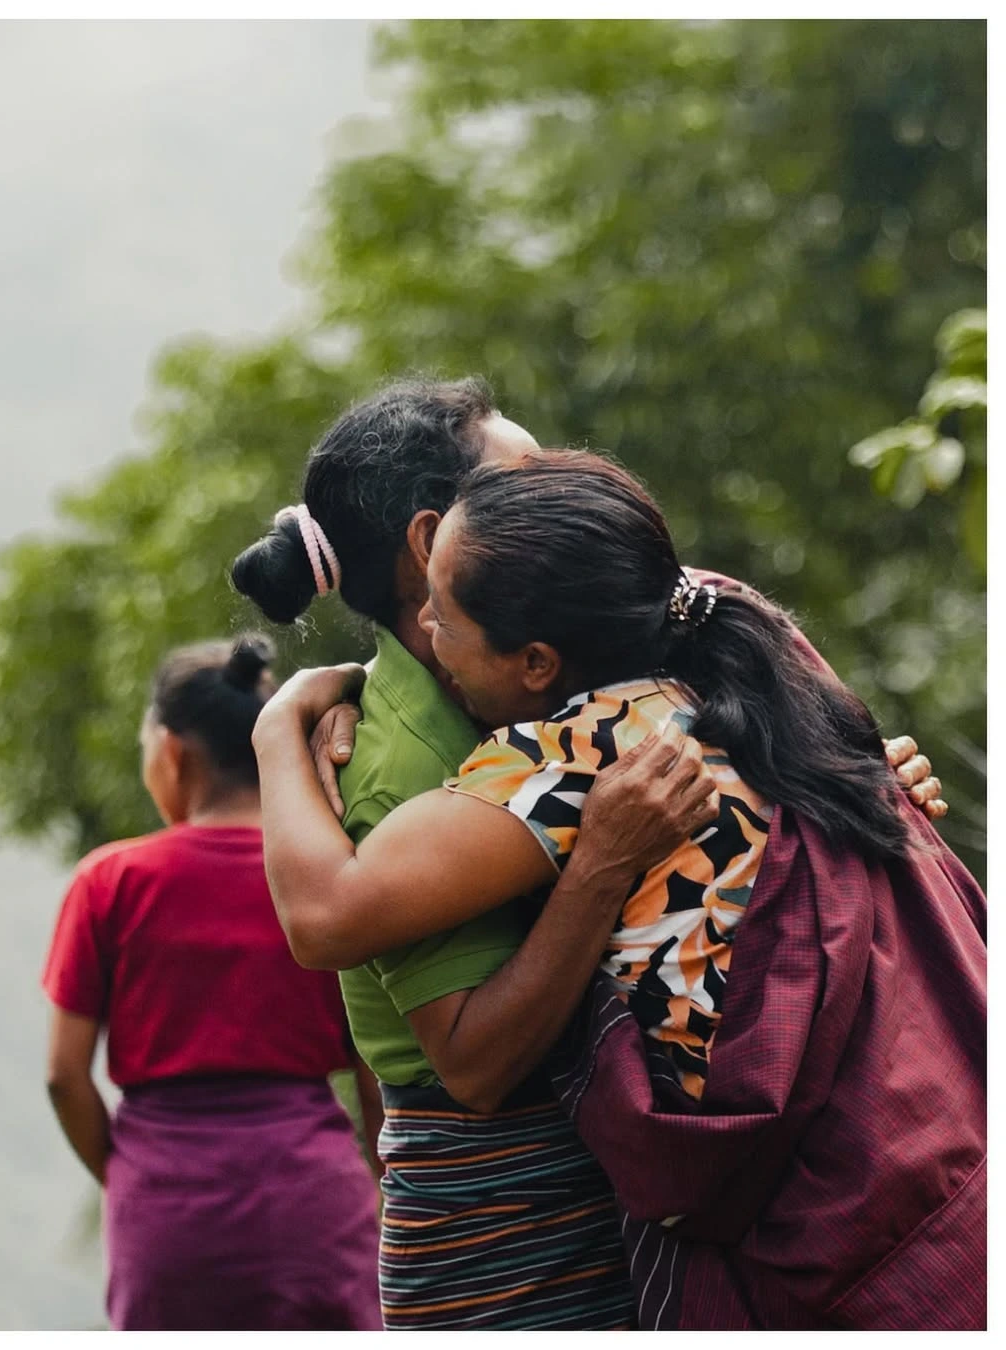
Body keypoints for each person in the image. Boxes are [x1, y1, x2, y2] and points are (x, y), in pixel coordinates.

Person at [231, 378, 946, 1329]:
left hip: (652, 1201)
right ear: (432, 541)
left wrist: (844, 784)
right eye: (528, 473)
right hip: (508, 1236)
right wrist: (281, 723)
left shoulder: (602, 679)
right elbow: (470, 1066)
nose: (563, 485)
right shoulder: (407, 761)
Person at [41, 635, 383, 1332]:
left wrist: (132, 1176)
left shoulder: (111, 882)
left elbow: (62, 1077)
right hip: (311, 1197)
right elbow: (374, 1068)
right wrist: (382, 1191)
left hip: (165, 1207)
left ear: (171, 752)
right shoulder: (330, 874)